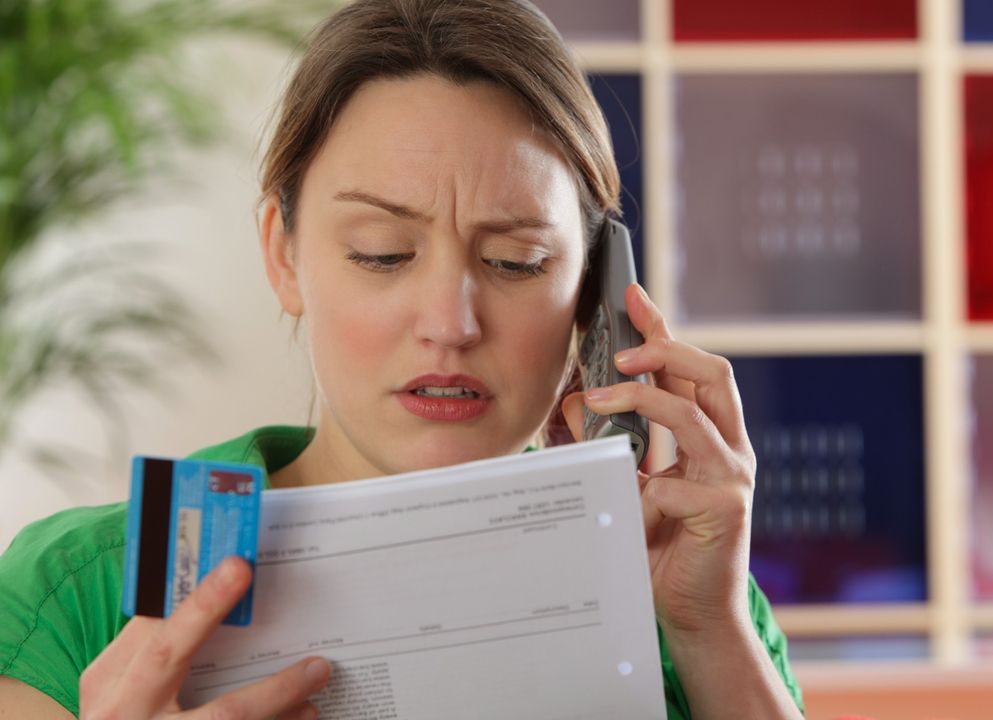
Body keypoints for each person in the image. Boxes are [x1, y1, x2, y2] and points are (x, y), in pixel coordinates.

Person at [0, 1, 806, 717]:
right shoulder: (80, 593)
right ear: (284, 257)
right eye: (383, 254)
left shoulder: (691, 593)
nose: (449, 324)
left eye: (517, 260)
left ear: (596, 297)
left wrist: (709, 633)